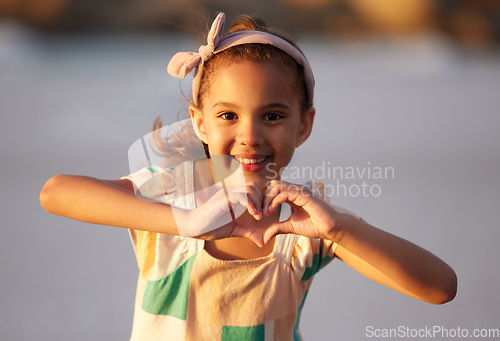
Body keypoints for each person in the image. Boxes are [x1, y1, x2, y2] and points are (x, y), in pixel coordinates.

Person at [40, 12, 457, 341]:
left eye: (273, 116)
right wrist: (184, 222)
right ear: (200, 124)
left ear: (304, 125)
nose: (250, 136)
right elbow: (55, 193)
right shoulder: (173, 193)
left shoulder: (307, 225)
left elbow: (440, 288)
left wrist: (341, 229)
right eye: (228, 116)